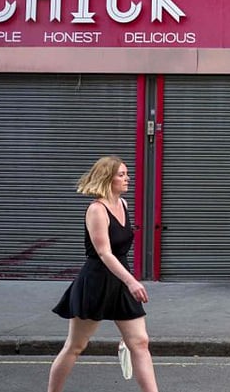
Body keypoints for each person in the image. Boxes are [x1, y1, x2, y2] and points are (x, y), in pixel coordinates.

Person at [48, 156, 159, 392]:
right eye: (121, 174)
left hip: (120, 281)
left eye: (127, 173)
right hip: (96, 282)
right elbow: (105, 253)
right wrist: (132, 282)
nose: (127, 178)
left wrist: (127, 281)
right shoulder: (97, 210)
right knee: (76, 346)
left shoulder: (124, 205)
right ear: (107, 178)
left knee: (140, 342)